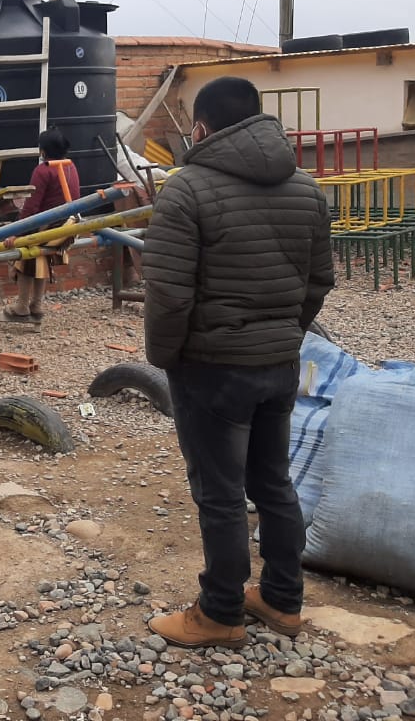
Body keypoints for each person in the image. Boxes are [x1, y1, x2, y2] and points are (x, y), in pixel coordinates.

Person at [142, 76, 335, 649]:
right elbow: (319, 281)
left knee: (220, 493)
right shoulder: (306, 189)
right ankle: (281, 598)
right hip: (279, 364)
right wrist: (283, 333)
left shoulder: (186, 190)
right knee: (273, 482)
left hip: (212, 368)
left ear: (200, 128)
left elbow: (169, 295)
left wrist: (167, 356)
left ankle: (221, 611)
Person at [4, 128, 81, 323]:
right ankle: (36, 304)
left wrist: (16, 233)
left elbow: (31, 207)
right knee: (40, 255)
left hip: (50, 226)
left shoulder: (43, 170)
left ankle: (22, 305)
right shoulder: (70, 166)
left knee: (26, 250)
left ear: (43, 151)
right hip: (70, 226)